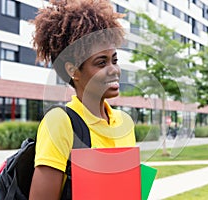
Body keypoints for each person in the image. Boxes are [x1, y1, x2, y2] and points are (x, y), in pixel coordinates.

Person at [29, 0, 136, 199]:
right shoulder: (60, 123)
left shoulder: (124, 122)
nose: (114, 70)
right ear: (73, 70)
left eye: (114, 60)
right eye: (101, 62)